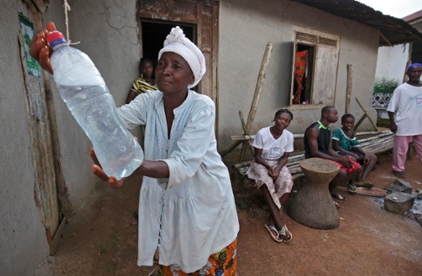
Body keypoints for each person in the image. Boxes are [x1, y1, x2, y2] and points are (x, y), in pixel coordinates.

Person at [30, 22, 239, 275]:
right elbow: (108, 122)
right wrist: (64, 75)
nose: (165, 71)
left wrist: (127, 162)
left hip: (206, 198)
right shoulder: (149, 101)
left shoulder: (203, 107)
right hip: (171, 202)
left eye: (176, 66)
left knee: (207, 257)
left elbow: (184, 165)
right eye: (162, 63)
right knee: (174, 254)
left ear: (192, 78)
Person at [246, 109, 294, 243]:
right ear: (275, 118)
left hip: (277, 164)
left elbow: (285, 157)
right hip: (261, 164)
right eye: (280, 118)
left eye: (286, 120)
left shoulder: (289, 136)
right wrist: (269, 167)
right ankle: (278, 223)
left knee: (287, 182)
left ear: (289, 123)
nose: (282, 122)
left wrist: (278, 168)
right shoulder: (263, 133)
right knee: (266, 182)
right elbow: (257, 156)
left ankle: (272, 220)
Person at [304, 106, 363, 204]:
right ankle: (327, 194)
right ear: (325, 114)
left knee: (358, 168)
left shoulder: (328, 129)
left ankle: (329, 191)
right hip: (314, 159)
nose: (337, 116)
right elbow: (315, 152)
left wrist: (342, 158)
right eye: (334, 113)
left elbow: (330, 149)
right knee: (342, 173)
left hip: (326, 157)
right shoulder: (314, 130)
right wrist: (339, 160)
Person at [387, 63, 422, 179]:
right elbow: (391, 108)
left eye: (418, 71)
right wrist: (392, 123)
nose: (416, 74)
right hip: (404, 124)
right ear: (408, 73)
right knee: (401, 150)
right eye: (413, 71)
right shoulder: (401, 89)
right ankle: (398, 168)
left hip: (419, 125)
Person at [332, 114, 377, 187]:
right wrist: (351, 153)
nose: (349, 125)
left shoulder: (351, 132)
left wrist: (365, 153)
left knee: (372, 157)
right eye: (347, 123)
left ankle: (362, 180)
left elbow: (356, 145)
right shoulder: (338, 131)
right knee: (353, 158)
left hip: (350, 151)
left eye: (351, 123)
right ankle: (351, 182)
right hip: (339, 153)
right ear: (342, 123)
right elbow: (336, 147)